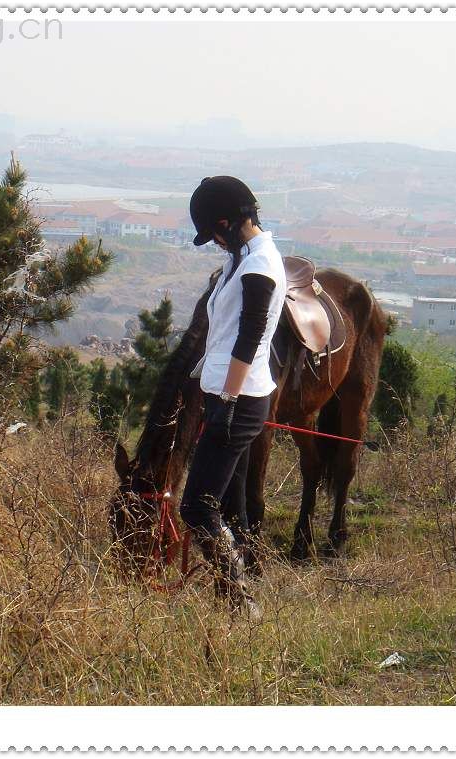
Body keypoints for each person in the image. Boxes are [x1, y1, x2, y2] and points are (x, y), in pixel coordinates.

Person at [180, 176, 287, 617]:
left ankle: (241, 601)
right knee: (229, 504)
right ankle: (243, 594)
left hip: (237, 402)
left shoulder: (259, 264)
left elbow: (251, 336)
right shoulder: (242, 259)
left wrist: (225, 398)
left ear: (227, 222)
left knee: (196, 508)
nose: (217, 244)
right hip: (228, 397)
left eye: (215, 234)